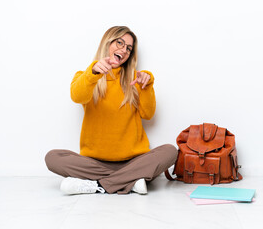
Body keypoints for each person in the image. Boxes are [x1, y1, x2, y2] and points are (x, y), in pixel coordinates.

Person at [45, 26, 177, 195]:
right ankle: (130, 181)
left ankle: (98, 185)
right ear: (106, 43)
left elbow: (148, 114)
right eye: (120, 43)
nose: (124, 50)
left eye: (129, 48)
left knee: (170, 151)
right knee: (53, 157)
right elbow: (77, 96)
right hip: (94, 164)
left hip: (134, 161)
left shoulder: (134, 80)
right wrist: (93, 72)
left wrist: (147, 85)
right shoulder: (86, 76)